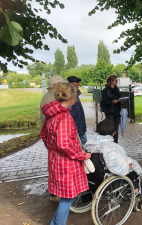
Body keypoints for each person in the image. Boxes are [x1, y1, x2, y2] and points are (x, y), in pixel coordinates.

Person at [40, 83, 91, 225]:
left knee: (65, 198)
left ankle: (53, 223)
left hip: (55, 160)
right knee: (67, 198)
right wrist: (82, 155)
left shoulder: (51, 113)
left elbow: (43, 135)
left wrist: (52, 150)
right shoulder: (64, 117)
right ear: (72, 97)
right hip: (66, 164)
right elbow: (64, 144)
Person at [85, 119, 142, 197]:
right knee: (134, 167)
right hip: (107, 175)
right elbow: (118, 166)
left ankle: (131, 187)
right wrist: (128, 165)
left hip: (93, 175)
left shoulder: (89, 144)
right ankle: (137, 189)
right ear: (113, 133)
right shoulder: (110, 147)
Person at [39, 74, 67, 203]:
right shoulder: (52, 98)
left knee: (54, 164)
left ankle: (54, 190)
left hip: (50, 138)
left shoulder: (47, 97)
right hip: (57, 138)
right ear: (55, 86)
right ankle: (58, 192)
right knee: (59, 165)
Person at [101, 75, 122, 143]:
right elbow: (103, 102)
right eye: (116, 80)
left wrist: (120, 101)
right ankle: (109, 143)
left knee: (116, 130)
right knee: (110, 129)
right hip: (110, 113)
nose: (117, 82)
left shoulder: (117, 89)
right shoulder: (105, 90)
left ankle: (115, 144)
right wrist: (112, 102)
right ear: (111, 81)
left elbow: (118, 98)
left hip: (117, 112)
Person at [67, 76, 87, 146]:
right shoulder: (70, 95)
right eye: (77, 83)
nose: (79, 84)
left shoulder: (75, 94)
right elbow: (73, 113)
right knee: (82, 146)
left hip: (79, 127)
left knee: (84, 144)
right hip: (76, 128)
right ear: (71, 83)